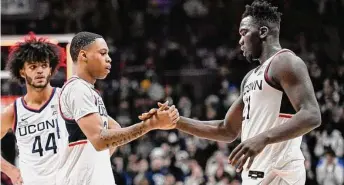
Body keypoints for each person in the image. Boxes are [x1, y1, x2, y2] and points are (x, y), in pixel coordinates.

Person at [140, 1, 321, 184]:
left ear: (263, 32)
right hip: (255, 173)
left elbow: (312, 115)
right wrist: (175, 122)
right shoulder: (250, 78)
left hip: (280, 173)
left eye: (244, 33)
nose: (240, 40)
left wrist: (262, 139)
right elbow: (226, 130)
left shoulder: (286, 62)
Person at [57, 31, 179, 185]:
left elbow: (114, 128)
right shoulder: (77, 89)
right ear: (83, 55)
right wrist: (150, 125)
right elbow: (100, 140)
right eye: (102, 53)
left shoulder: (89, 91)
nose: (109, 58)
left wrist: (97, 164)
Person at [1, 33, 68, 185]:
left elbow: (108, 128)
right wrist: (10, 170)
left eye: (44, 65)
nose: (39, 71)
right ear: (22, 71)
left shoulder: (66, 98)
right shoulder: (14, 111)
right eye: (33, 66)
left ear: (51, 69)